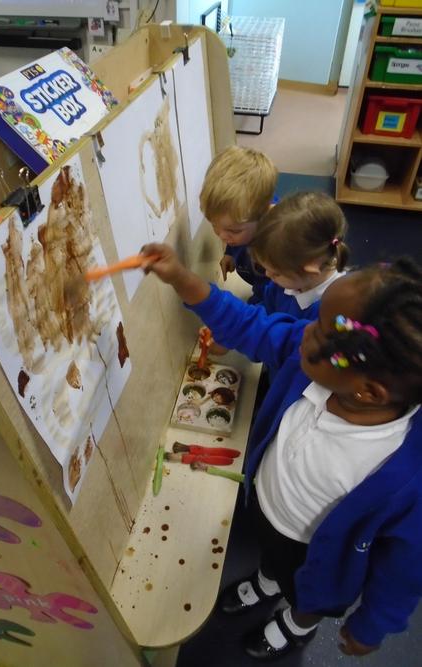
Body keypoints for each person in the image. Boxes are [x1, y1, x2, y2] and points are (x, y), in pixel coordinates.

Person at [141, 243, 422, 662]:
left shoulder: (406, 478)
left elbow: (405, 569)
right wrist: (183, 278)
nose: (305, 330)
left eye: (321, 331)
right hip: (269, 513)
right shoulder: (315, 357)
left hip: (316, 558)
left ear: (368, 392)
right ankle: (267, 581)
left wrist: (372, 626)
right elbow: (249, 325)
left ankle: (295, 624)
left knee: (304, 594)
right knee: (271, 560)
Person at [253, 191, 349, 320]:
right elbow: (267, 307)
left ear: (310, 272)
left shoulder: (328, 313)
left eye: (276, 273)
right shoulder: (286, 279)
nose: (267, 274)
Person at [199, 145, 278, 304]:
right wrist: (230, 253)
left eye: (233, 231)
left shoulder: (275, 250)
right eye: (214, 225)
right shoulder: (244, 220)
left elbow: (273, 299)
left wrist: (254, 307)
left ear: (264, 216)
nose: (222, 236)